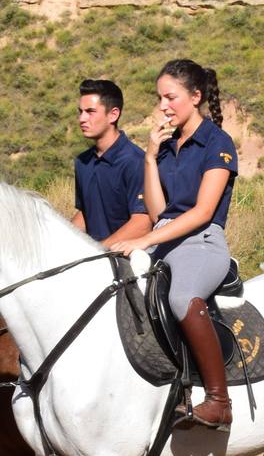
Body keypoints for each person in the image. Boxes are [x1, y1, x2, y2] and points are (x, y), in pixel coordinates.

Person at [108, 59, 239, 430]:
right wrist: (150, 156)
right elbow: (156, 210)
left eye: (171, 97)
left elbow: (201, 212)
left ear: (195, 97)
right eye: (159, 98)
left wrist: (145, 240)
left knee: (181, 299)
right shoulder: (166, 147)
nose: (163, 106)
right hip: (165, 237)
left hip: (202, 242)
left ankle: (218, 401)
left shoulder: (217, 142)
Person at [70, 79, 150, 245]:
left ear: (113, 114)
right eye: (80, 112)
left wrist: (99, 252)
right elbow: (86, 214)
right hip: (94, 260)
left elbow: (142, 223)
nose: (82, 119)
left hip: (129, 261)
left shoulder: (135, 161)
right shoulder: (82, 162)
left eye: (90, 111)